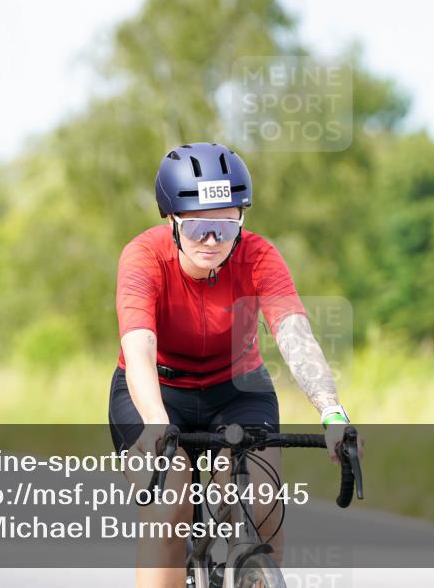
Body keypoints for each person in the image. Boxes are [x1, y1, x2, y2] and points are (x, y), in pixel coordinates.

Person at [108, 142, 361, 588]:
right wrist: (154, 422)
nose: (212, 241)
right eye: (198, 228)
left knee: (263, 510)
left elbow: (294, 335)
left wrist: (332, 411)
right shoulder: (142, 257)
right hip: (156, 389)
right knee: (168, 511)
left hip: (236, 389)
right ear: (171, 222)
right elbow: (140, 345)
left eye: (226, 228)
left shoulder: (259, 255)